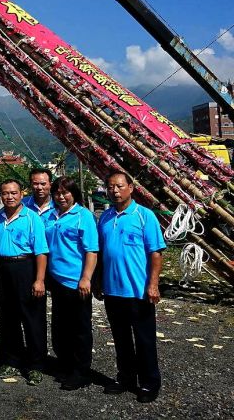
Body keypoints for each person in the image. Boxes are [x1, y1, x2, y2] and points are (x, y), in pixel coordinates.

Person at [98, 171, 165, 404]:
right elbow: (101, 254)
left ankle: (149, 383)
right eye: (110, 187)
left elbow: (156, 253)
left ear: (131, 188)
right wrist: (98, 283)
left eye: (119, 186)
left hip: (138, 291)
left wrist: (153, 285)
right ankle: (125, 377)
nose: (114, 191)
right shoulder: (105, 218)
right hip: (113, 291)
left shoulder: (145, 216)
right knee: (121, 338)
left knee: (145, 339)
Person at [46, 176, 98, 390]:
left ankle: (81, 371)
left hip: (76, 282)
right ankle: (66, 364)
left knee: (80, 329)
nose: (61, 196)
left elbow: (91, 250)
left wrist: (86, 278)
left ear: (74, 193)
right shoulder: (51, 215)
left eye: (65, 192)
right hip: (56, 281)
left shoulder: (83, 216)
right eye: (57, 193)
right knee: (60, 328)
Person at [0, 179, 49, 386]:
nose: (9, 197)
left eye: (14, 193)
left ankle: (36, 364)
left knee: (33, 319)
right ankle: (11, 358)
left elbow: (41, 252)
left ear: (21, 194)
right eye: (5, 193)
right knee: (8, 318)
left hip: (26, 267)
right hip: (3, 269)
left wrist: (39, 280)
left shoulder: (32, 218)